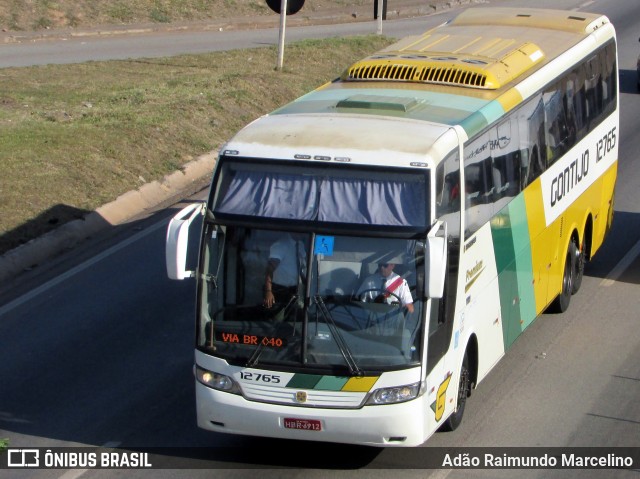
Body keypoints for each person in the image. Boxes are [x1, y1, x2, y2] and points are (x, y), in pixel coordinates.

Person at [263, 234, 306, 308]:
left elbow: (302, 267)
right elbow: (269, 269)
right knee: (278, 317)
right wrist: (268, 291)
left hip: (295, 290)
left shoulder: (301, 245)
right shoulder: (280, 245)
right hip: (279, 290)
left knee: (297, 316)